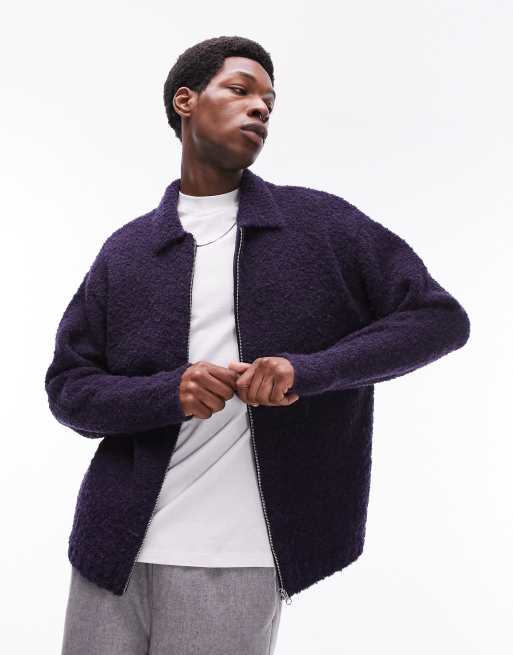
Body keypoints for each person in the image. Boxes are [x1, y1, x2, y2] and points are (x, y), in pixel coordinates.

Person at [46, 35, 471, 655]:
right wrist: (171, 392)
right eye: (241, 90)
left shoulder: (320, 226)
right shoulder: (129, 250)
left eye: (269, 102)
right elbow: (69, 388)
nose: (260, 108)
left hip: (237, 555)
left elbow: (438, 318)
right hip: (109, 550)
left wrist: (307, 371)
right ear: (185, 102)